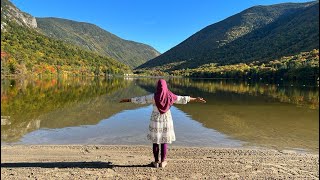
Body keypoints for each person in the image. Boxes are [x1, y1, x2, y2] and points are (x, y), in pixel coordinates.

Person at [120, 79, 206, 168]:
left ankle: (156, 162)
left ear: (158, 86)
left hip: (155, 120)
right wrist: (196, 99)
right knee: (164, 141)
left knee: (155, 141)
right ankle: (163, 162)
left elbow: (140, 99)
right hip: (166, 120)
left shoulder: (153, 96)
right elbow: (183, 99)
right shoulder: (171, 96)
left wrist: (127, 100)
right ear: (166, 86)